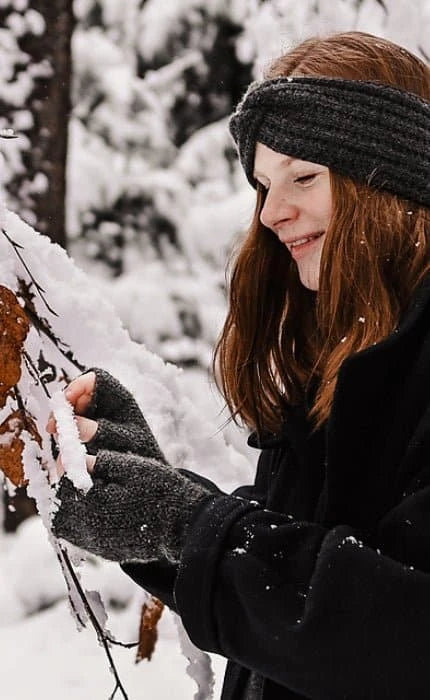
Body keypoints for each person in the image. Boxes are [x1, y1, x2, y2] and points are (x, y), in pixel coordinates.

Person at [49, 31, 430, 700]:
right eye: (263, 185)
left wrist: (188, 525)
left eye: (304, 177)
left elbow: (402, 634)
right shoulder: (348, 354)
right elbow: (314, 579)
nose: (273, 213)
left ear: (391, 175)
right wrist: (161, 506)